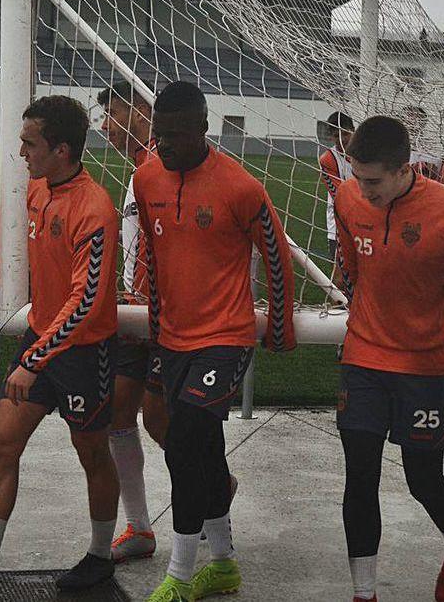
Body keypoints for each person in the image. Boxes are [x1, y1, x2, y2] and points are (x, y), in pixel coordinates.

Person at [0, 95, 122, 594]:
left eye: (29, 143)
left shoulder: (94, 208)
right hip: (42, 339)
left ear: (61, 149)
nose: (20, 152)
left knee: (92, 453)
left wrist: (33, 359)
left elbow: (84, 303)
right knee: (3, 442)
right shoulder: (37, 190)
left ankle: (100, 556)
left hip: (81, 352)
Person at [136, 81, 295, 602]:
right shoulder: (145, 177)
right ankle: (224, 566)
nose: (166, 145)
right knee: (204, 447)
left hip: (225, 338)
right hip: (173, 339)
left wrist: (281, 324)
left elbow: (275, 252)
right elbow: (153, 259)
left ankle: (180, 579)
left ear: (205, 128)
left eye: (177, 136)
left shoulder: (240, 187)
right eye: (160, 135)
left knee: (183, 444)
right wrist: (155, 323)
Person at [333, 115, 444, 602]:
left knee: (423, 479)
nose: (364, 190)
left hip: (425, 367)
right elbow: (351, 272)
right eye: (358, 178)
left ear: (404, 169)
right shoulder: (346, 198)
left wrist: (427, 332)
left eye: (373, 181)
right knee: (360, 477)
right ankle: (364, 593)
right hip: (364, 358)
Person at [96, 81, 170, 563]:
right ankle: (139, 528)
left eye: (111, 112)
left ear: (141, 107)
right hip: (133, 312)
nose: (104, 126)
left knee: (163, 424)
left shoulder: (166, 165)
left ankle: (214, 494)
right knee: (118, 413)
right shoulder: (137, 169)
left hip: (170, 315)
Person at [319, 111, 356, 266]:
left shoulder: (368, 154)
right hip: (339, 227)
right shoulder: (328, 159)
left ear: (353, 130)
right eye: (336, 136)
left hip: (370, 224)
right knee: (340, 281)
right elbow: (341, 197)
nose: (341, 140)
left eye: (345, 134)